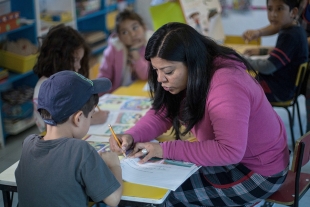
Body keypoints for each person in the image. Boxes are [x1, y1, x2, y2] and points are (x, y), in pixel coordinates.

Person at [109, 22, 289, 207]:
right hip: (237, 160)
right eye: (156, 70)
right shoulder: (194, 75)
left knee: (161, 198)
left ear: (191, 62)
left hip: (259, 172)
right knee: (154, 187)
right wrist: (132, 135)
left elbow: (230, 151)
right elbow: (163, 113)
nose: (161, 79)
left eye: (168, 71)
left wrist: (164, 149)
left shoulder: (225, 84)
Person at [15, 71, 123, 207]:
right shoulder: (81, 151)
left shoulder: (28, 144)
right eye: (90, 117)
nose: (90, 120)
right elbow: (113, 199)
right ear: (78, 118)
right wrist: (114, 165)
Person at [243, 0, 310, 132]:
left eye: (279, 9)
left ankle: (253, 133)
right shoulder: (295, 29)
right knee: (246, 83)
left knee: (243, 88)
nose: (273, 14)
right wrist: (260, 51)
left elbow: (269, 66)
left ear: (293, 12)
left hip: (280, 90)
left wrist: (243, 60)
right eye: (270, 9)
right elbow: (282, 53)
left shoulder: (290, 35)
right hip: (285, 87)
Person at [33, 24, 109, 133]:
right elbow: (57, 126)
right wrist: (92, 120)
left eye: (80, 60)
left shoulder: (67, 81)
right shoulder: (45, 88)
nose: (79, 66)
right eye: (75, 60)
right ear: (58, 59)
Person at [97, 9, 152, 93]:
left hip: (139, 91)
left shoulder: (151, 44)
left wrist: (135, 54)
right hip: (118, 94)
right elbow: (103, 80)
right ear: (119, 37)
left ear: (144, 27)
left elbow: (145, 75)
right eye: (125, 32)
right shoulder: (113, 51)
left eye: (135, 28)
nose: (132, 34)